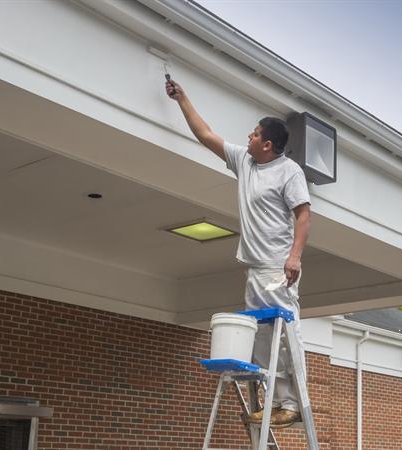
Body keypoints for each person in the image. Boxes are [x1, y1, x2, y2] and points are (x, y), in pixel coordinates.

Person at [166, 79, 311, 429]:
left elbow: (303, 214)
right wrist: (182, 97)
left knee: (283, 335)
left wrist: (295, 257)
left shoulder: (288, 171)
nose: (248, 136)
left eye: (254, 133)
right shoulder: (245, 162)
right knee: (261, 340)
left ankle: (295, 404)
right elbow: (206, 135)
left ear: (268, 143)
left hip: (278, 267)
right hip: (254, 267)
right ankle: (277, 403)